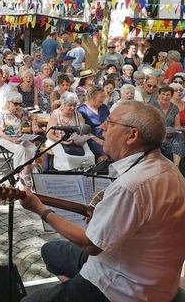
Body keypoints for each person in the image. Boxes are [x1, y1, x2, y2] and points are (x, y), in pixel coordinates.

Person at [19, 101, 185, 302]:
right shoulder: (171, 171)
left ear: (131, 136)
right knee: (51, 251)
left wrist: (40, 209)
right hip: (155, 277)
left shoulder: (131, 186)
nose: (102, 127)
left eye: (110, 122)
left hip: (122, 287)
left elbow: (91, 245)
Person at [0, 91, 37, 187]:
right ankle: (17, 175)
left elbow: (33, 116)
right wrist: (10, 140)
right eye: (15, 104)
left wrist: (33, 123)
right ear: (8, 102)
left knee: (32, 148)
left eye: (19, 104)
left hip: (18, 137)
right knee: (19, 149)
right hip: (3, 138)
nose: (17, 106)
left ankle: (26, 173)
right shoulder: (2, 113)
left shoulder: (21, 111)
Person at [45, 92, 94, 170]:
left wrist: (82, 140)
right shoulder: (56, 114)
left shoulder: (78, 115)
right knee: (66, 158)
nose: (72, 108)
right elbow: (49, 134)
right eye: (70, 105)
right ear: (63, 104)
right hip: (58, 140)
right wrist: (62, 142)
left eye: (74, 105)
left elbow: (84, 132)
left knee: (90, 157)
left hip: (77, 143)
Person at [150, 85, 184, 168]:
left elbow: (177, 125)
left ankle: (176, 165)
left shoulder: (175, 108)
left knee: (178, 139)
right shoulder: (152, 105)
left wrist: (174, 131)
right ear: (159, 95)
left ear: (171, 96)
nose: (165, 97)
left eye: (168, 95)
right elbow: (148, 122)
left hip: (170, 134)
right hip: (156, 133)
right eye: (163, 94)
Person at [77, 86, 110, 163]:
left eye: (104, 97)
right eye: (101, 97)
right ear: (92, 97)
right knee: (103, 157)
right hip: (91, 138)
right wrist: (98, 140)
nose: (103, 99)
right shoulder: (82, 110)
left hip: (106, 136)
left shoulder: (104, 107)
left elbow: (110, 122)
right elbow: (83, 130)